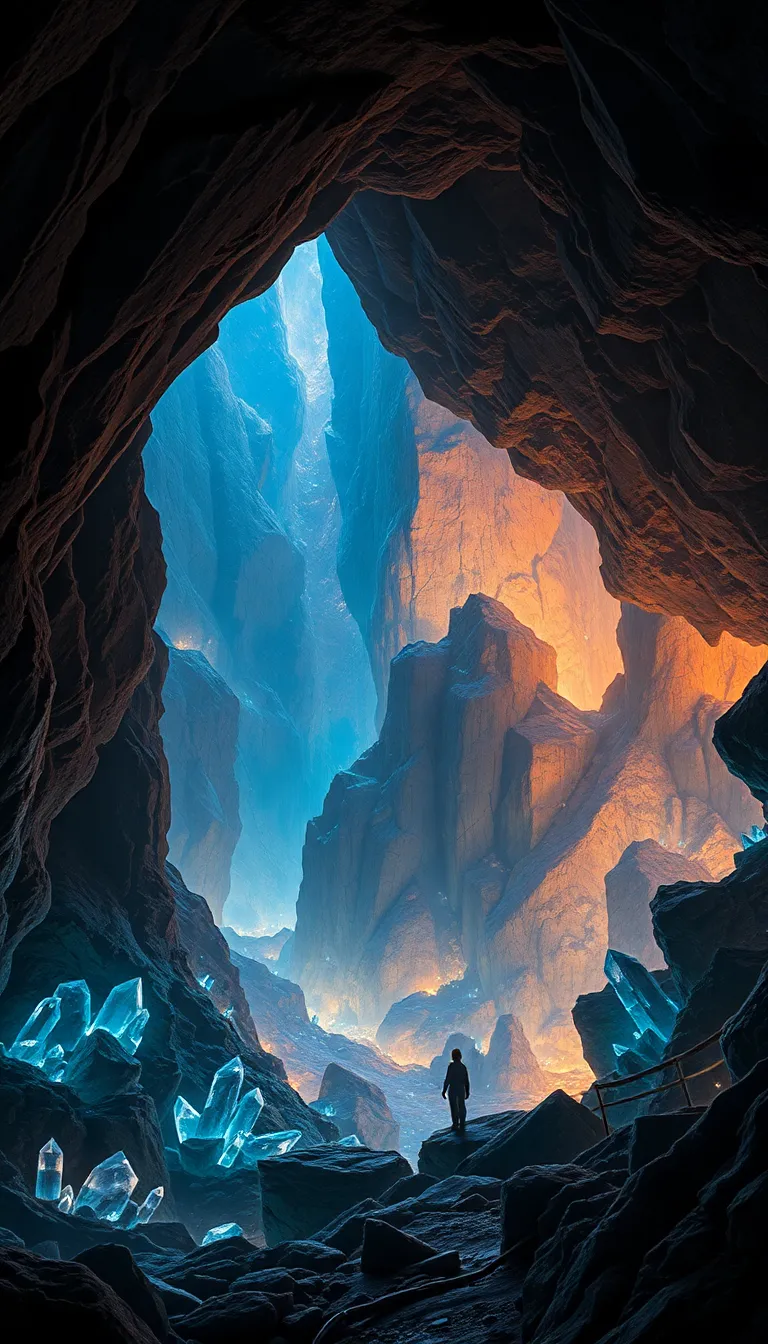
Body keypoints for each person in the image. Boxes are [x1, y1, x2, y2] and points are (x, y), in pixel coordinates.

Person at [441, 1047, 470, 1132]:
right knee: (461, 1106)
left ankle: (455, 1124)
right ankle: (462, 1123)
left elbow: (447, 1079)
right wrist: (467, 1091)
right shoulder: (463, 1067)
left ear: (453, 1057)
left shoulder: (451, 1066)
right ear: (460, 1056)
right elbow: (466, 1081)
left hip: (453, 1089)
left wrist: (444, 1090)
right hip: (461, 1089)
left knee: (454, 1107)